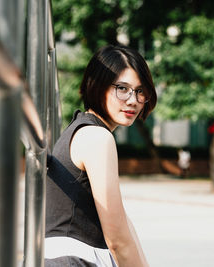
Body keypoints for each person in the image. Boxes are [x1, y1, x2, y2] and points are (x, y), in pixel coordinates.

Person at [45, 45, 156, 267]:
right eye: (122, 88)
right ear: (97, 86)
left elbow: (122, 223)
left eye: (140, 90)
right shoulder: (96, 137)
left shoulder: (82, 130)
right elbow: (117, 240)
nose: (133, 100)